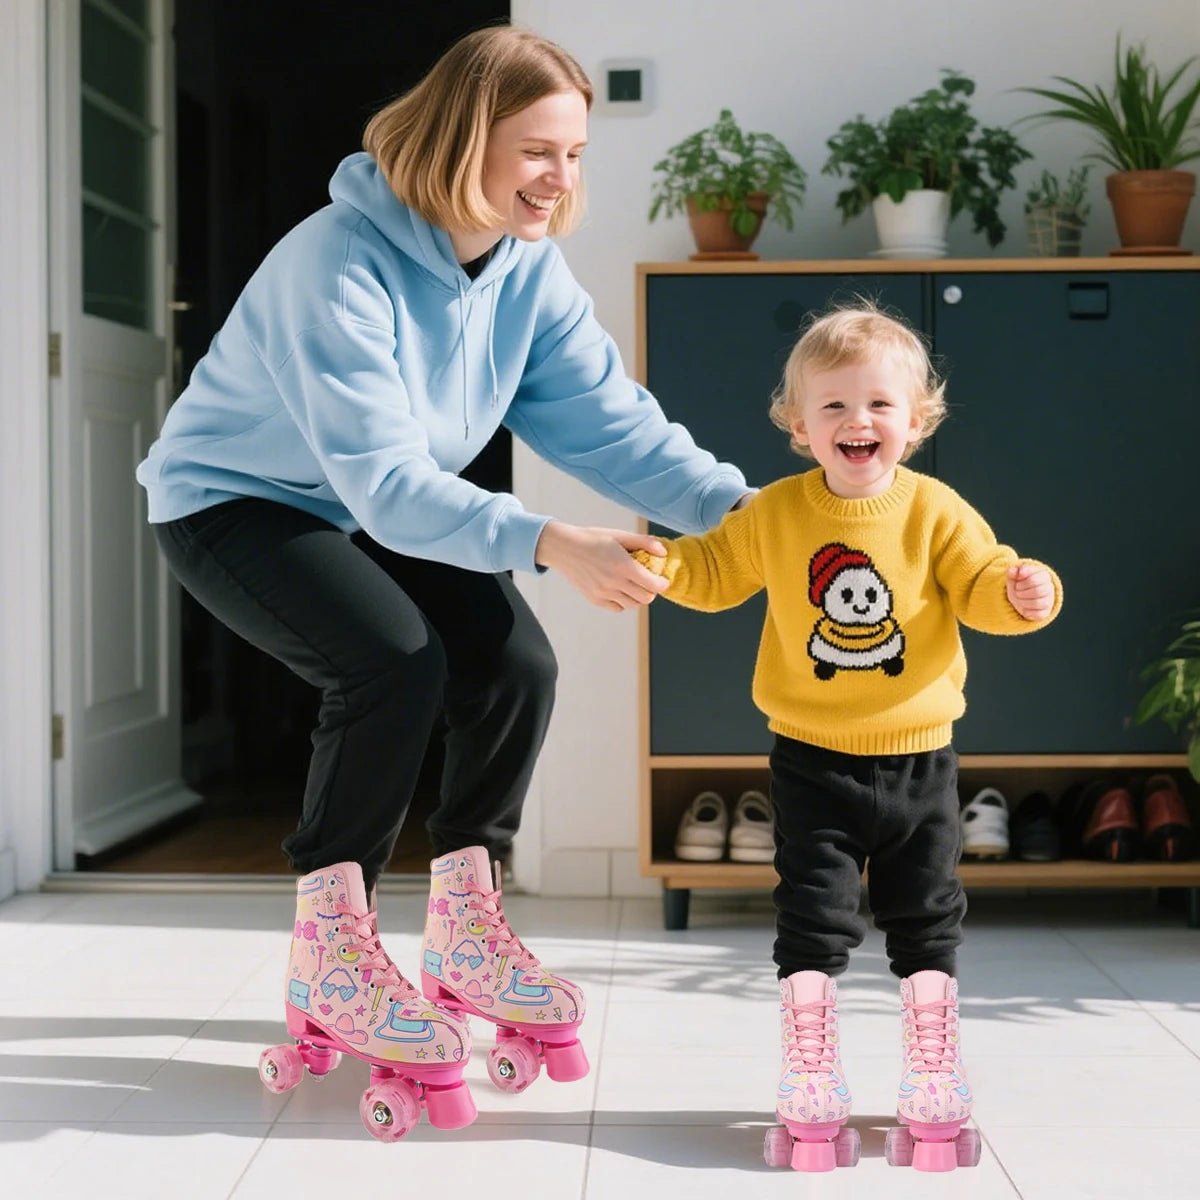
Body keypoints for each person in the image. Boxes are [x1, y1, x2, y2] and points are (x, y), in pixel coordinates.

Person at [137, 25, 752, 1134]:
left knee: (515, 663)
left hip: (376, 497)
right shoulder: (336, 260)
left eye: (573, 155)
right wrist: (554, 541)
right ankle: (332, 950)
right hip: (235, 500)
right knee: (391, 663)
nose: (559, 180)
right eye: (535, 152)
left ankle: (467, 926)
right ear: (464, 138)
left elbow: (612, 427)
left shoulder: (527, 273)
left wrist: (748, 515)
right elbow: (382, 485)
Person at [632, 302, 1061, 1172]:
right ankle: (810, 1065)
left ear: (915, 419)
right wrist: (660, 564)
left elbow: (983, 582)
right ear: (797, 424)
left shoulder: (937, 510)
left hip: (919, 757)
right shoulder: (777, 513)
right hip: (811, 757)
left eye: (876, 405)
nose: (855, 422)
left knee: (926, 911)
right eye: (831, 407)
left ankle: (932, 1066)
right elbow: (714, 573)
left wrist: (1025, 591)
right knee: (812, 911)